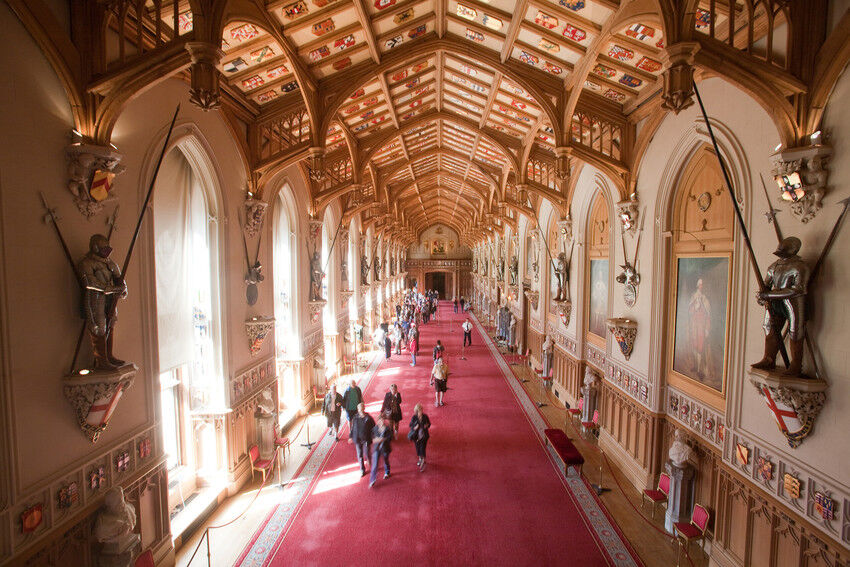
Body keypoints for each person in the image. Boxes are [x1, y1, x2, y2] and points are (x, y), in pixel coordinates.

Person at [77, 234, 128, 370]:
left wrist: (122, 289)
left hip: (110, 298)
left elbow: (120, 280)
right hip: (96, 298)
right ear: (95, 248)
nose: (106, 252)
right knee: (99, 327)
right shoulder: (86, 263)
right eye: (103, 248)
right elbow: (89, 283)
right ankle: (101, 360)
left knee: (111, 323)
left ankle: (109, 356)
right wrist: (112, 289)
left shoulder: (111, 263)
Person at [348, 403, 375, 476]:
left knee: (367, 453)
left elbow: (374, 428)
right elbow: (353, 428)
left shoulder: (369, 418)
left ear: (364, 408)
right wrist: (350, 436)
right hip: (357, 439)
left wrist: (374, 437)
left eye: (362, 408)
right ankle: (362, 469)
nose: (361, 410)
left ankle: (369, 460)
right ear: (358, 409)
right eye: (359, 409)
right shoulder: (355, 418)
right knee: (359, 455)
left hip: (366, 439)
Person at [369, 411, 393, 488]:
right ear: (378, 421)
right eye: (380, 420)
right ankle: (372, 479)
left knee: (385, 460)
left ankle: (387, 472)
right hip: (376, 449)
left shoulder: (387, 428)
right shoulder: (374, 429)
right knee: (375, 464)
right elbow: (371, 438)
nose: (381, 421)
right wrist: (375, 440)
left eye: (382, 420)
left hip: (385, 448)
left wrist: (383, 439)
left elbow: (390, 438)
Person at [408, 403, 431, 472]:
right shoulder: (414, 417)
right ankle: (420, 459)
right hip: (416, 436)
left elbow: (429, 424)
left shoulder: (425, 416)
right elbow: (410, 425)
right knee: (418, 449)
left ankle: (422, 463)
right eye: (418, 411)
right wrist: (415, 427)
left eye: (420, 410)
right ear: (416, 411)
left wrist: (427, 425)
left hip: (424, 436)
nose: (420, 412)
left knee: (422, 448)